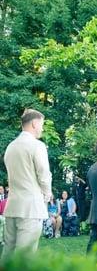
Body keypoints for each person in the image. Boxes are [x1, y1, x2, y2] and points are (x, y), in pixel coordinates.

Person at [2, 109, 52, 257]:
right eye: (41, 124)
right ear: (34, 124)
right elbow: (43, 175)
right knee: (25, 257)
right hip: (31, 208)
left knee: (8, 253)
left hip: (12, 207)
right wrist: (47, 193)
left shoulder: (10, 147)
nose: (42, 128)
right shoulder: (37, 146)